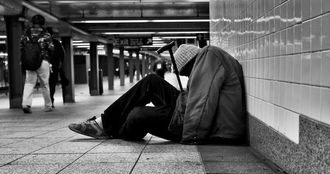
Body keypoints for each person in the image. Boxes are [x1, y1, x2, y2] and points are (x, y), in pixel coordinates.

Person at [69, 44, 247, 145]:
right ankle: (104, 123)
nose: (186, 76)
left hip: (212, 131)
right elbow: (198, 97)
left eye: (185, 73)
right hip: (189, 114)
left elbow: (202, 101)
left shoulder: (209, 56)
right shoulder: (210, 57)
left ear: (190, 63)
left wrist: (191, 136)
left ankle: (112, 129)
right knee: (151, 81)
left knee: (138, 114)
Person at [20, 14, 54, 113]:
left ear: (32, 23)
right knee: (45, 84)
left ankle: (26, 104)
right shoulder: (46, 35)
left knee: (29, 83)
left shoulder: (25, 34)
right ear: (43, 23)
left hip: (29, 61)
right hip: (43, 60)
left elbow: (21, 47)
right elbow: (51, 48)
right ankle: (48, 106)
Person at [46, 27, 69, 108]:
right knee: (51, 84)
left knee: (46, 85)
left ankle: (49, 101)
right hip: (54, 67)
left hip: (44, 67)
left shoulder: (41, 42)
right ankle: (50, 100)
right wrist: (60, 64)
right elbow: (62, 54)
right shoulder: (56, 42)